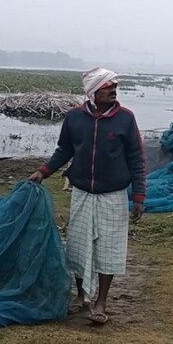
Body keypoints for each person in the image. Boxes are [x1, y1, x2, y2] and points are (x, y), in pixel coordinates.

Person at [29, 67, 146, 325]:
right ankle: (81, 295)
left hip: (113, 194)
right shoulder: (74, 118)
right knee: (79, 246)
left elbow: (136, 158)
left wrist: (139, 195)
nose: (113, 90)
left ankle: (101, 301)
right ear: (93, 92)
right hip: (82, 191)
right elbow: (64, 149)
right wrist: (43, 171)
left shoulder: (125, 119)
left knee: (109, 249)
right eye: (107, 87)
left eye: (114, 86)